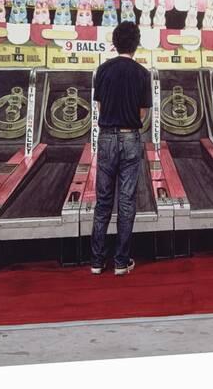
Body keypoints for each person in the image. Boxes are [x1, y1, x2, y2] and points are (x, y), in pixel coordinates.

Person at [90, 21, 152, 276]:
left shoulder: (102, 70)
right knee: (126, 201)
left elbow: (99, 107)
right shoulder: (142, 73)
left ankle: (96, 262)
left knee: (103, 201)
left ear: (114, 43)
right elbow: (143, 111)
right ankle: (121, 262)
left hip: (105, 137)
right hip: (129, 138)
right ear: (136, 44)